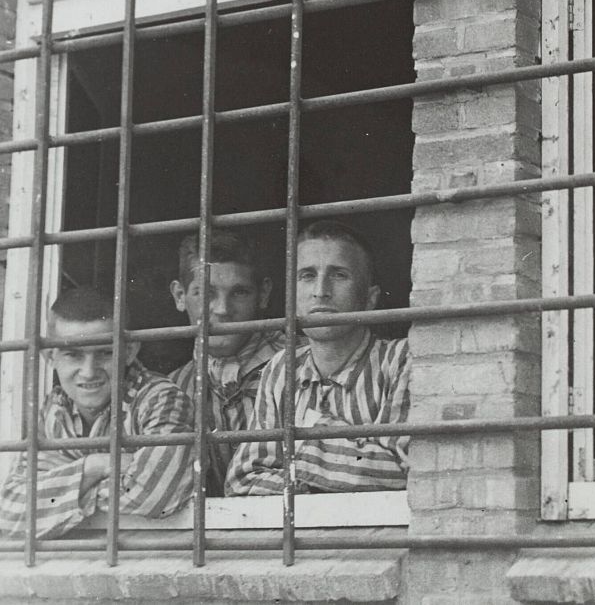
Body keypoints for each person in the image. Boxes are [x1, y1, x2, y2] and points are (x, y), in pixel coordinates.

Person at [226, 220, 411, 495]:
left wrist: (310, 433)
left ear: (370, 298)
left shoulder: (399, 360)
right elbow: (242, 478)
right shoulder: (283, 367)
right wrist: (308, 485)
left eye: (339, 275)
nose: (321, 290)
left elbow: (404, 472)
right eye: (307, 275)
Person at [0, 287, 194, 538]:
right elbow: (10, 510)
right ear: (50, 356)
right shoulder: (55, 408)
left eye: (105, 353)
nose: (89, 371)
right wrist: (95, 467)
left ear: (130, 351)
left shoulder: (161, 399)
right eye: (73, 355)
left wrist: (59, 485)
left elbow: (155, 495)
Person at [168, 230, 286, 493]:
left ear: (263, 293)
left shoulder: (303, 367)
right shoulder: (172, 389)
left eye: (240, 292)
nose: (222, 309)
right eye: (205, 293)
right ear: (179, 295)